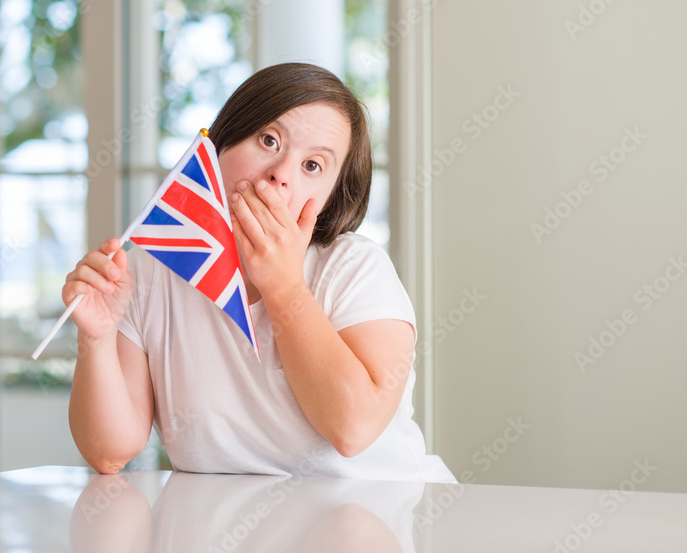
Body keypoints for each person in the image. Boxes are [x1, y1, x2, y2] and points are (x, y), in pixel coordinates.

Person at [64, 62, 455, 482]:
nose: (280, 174)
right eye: (269, 140)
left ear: (329, 198)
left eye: (312, 166)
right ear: (222, 144)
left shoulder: (355, 267)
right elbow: (109, 454)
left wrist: (283, 285)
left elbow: (352, 429)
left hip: (387, 514)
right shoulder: (150, 272)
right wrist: (97, 339)